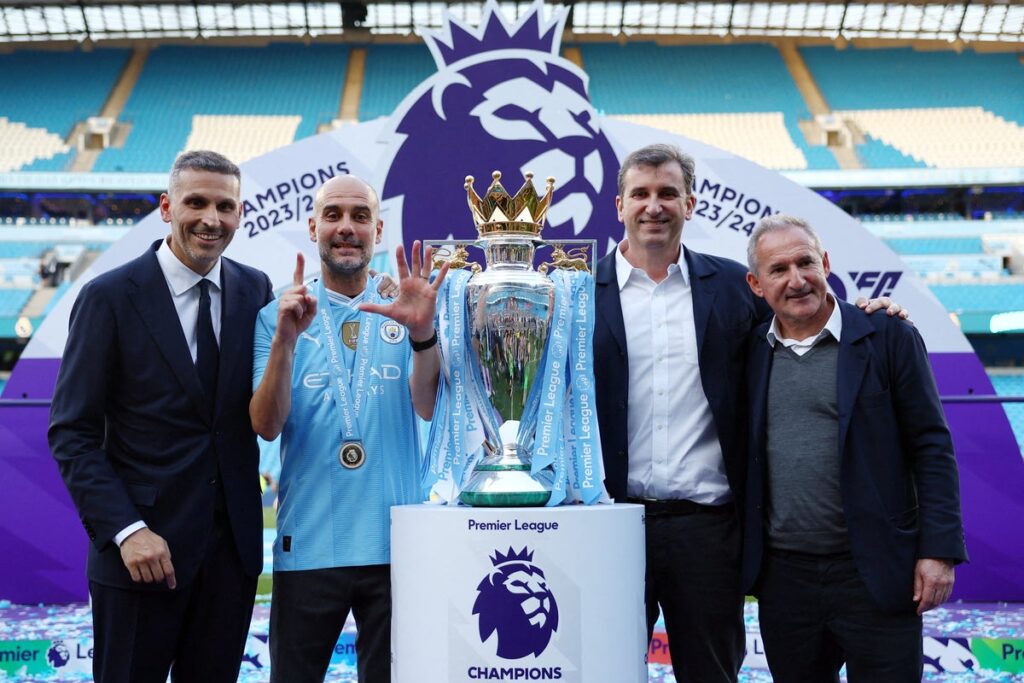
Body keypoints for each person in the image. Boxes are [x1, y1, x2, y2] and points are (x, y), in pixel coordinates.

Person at [593, 143, 905, 683]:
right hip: (612, 524)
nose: (654, 206)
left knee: (713, 674)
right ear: (619, 205)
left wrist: (867, 314)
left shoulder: (735, 288)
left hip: (708, 530)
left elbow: (802, 317)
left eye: (668, 193)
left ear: (690, 204)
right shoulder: (579, 292)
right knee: (608, 671)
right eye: (640, 194)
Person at [48, 150, 273, 682]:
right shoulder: (107, 297)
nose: (211, 219)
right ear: (167, 208)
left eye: (225, 206)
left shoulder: (255, 290)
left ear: (240, 213)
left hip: (231, 559)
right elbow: (72, 433)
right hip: (141, 556)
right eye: (196, 203)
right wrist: (127, 531)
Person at [741, 214, 967, 682]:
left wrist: (939, 551)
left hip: (875, 572)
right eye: (778, 269)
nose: (797, 280)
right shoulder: (748, 351)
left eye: (805, 262)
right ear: (756, 284)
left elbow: (931, 445)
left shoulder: (888, 336)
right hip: (785, 581)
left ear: (825, 263)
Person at [249, 174, 445, 682]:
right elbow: (266, 425)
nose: (346, 227)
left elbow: (427, 407)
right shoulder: (277, 316)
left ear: (377, 230)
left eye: (360, 216)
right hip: (310, 544)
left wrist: (423, 335)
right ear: (313, 226)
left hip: (396, 546)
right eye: (333, 215)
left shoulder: (406, 308)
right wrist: (285, 343)